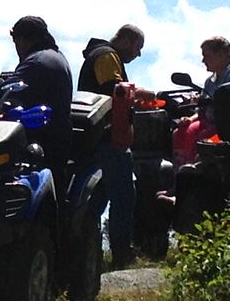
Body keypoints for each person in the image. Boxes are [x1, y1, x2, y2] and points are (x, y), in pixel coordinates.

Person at [77, 24, 150, 266]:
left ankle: (87, 254)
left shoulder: (99, 54)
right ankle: (121, 254)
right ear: (126, 40)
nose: (138, 54)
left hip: (96, 139)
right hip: (108, 139)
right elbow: (116, 91)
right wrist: (142, 93)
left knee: (98, 199)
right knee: (123, 195)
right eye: (137, 47)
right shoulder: (107, 55)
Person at [172, 35, 230, 164]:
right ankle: (181, 172)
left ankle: (195, 173)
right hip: (212, 123)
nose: (203, 60)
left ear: (221, 54)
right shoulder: (210, 81)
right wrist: (190, 119)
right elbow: (203, 109)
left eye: (206, 56)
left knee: (203, 140)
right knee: (180, 133)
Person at [8, 15, 73, 176]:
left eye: (16, 42)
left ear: (22, 40)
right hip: (59, 140)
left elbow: (3, 91)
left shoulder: (36, 62)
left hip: (42, 143)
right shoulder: (56, 56)